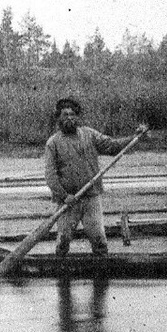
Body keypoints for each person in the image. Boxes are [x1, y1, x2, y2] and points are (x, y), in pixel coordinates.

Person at [44, 98, 146, 258]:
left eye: (72, 114)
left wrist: (135, 137)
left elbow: (112, 146)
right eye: (65, 115)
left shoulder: (89, 135)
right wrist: (64, 196)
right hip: (68, 201)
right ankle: (61, 277)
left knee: (99, 240)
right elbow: (50, 176)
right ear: (58, 118)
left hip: (91, 197)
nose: (69, 118)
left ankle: (102, 276)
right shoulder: (53, 143)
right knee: (63, 242)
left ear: (77, 117)